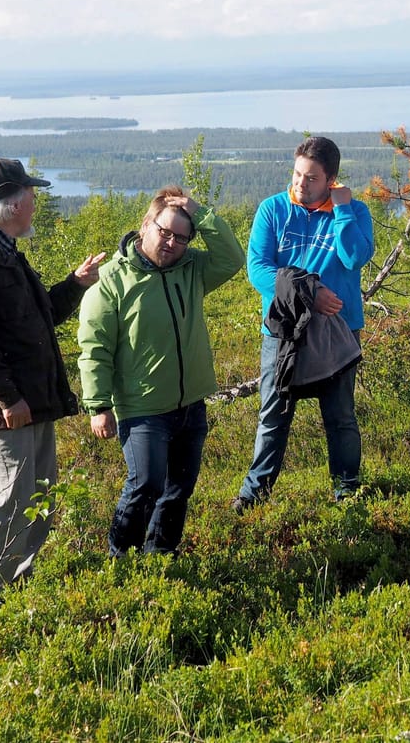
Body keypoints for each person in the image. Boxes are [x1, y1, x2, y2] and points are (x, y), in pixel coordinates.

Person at [0, 158, 106, 604]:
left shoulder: (5, 251)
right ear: (12, 205)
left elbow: (39, 317)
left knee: (40, 502)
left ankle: (15, 589)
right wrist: (8, 399)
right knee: (11, 504)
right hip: (4, 412)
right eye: (31, 197)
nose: (36, 204)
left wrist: (76, 283)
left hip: (31, 404)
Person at [78, 186, 245, 556]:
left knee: (179, 488)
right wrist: (98, 406)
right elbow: (94, 349)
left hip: (190, 404)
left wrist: (200, 213)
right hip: (142, 408)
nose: (171, 243)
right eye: (164, 232)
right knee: (145, 485)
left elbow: (233, 257)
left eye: (181, 238)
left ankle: (160, 557)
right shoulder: (110, 282)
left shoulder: (193, 270)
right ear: (145, 225)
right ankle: (120, 558)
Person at [233, 136, 375, 509]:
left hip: (339, 329)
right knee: (273, 415)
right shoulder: (273, 210)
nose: (300, 184)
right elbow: (258, 271)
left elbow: (355, 257)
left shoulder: (355, 212)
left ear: (332, 180)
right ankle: (254, 493)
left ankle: (347, 490)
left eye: (311, 178)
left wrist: (342, 211)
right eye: (297, 174)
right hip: (282, 331)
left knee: (341, 416)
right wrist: (309, 293)